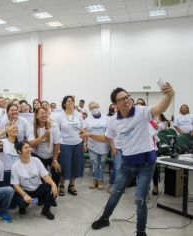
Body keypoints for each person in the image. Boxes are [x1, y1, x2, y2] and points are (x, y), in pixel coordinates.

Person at [81, 83, 174, 236]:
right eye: (122, 99)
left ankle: (140, 231)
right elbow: (106, 137)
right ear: (115, 104)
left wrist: (169, 95)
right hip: (127, 162)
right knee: (115, 192)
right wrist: (90, 135)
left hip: (146, 163)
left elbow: (160, 109)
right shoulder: (112, 121)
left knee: (140, 199)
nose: (127, 100)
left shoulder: (142, 111)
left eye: (128, 97)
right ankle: (105, 218)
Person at [11, 141, 58, 220]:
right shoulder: (15, 166)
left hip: (37, 187)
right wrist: (24, 195)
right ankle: (22, 207)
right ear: (19, 151)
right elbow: (16, 185)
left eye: (29, 147)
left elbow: (45, 176)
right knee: (22, 202)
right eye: (26, 148)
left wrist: (53, 184)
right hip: (25, 190)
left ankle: (45, 211)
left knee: (51, 189)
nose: (29, 149)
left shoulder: (36, 160)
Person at [53, 95, 86, 196]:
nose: (71, 102)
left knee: (75, 165)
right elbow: (56, 132)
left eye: (72, 101)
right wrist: (57, 147)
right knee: (64, 166)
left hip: (77, 143)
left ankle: (72, 185)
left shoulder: (78, 115)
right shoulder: (59, 116)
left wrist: (84, 143)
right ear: (64, 103)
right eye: (68, 101)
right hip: (64, 144)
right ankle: (62, 185)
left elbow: (83, 130)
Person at [28, 107, 61, 204]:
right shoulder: (32, 127)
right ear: (37, 116)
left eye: (45, 113)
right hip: (38, 155)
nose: (44, 115)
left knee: (57, 173)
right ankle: (42, 197)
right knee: (41, 177)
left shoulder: (53, 126)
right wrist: (43, 136)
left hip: (52, 155)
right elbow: (31, 144)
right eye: (41, 113)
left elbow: (57, 144)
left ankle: (52, 197)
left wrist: (54, 160)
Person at [84, 102, 111, 190]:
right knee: (94, 163)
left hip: (104, 144)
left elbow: (110, 132)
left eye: (96, 107)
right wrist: (85, 143)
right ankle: (95, 179)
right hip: (92, 145)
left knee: (102, 163)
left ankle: (100, 180)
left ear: (99, 107)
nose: (94, 109)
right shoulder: (87, 120)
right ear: (90, 110)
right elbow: (84, 133)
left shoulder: (106, 118)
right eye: (92, 108)